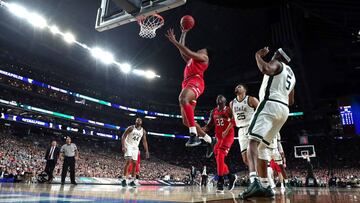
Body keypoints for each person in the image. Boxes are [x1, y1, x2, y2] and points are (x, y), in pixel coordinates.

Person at [240, 47, 296, 199]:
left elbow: (265, 68)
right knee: (263, 147)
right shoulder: (292, 74)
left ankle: (253, 181)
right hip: (283, 111)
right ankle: (265, 186)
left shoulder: (276, 62)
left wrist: (257, 55)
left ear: (280, 54)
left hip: (270, 104)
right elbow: (291, 101)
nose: (274, 54)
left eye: (276, 52)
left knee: (252, 140)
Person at [165, 28, 213, 147]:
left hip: (196, 81)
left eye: (202, 50)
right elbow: (183, 51)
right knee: (186, 121)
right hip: (187, 83)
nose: (199, 50)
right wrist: (184, 32)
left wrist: (174, 41)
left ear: (206, 53)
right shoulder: (192, 60)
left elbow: (189, 52)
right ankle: (210, 140)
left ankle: (193, 135)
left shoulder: (205, 58)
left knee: (183, 98)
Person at [203, 95, 237, 193]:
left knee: (221, 154)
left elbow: (234, 121)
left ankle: (220, 182)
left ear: (225, 101)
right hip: (218, 138)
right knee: (218, 159)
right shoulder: (213, 111)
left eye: (222, 98)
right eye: (218, 98)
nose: (219, 98)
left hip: (228, 136)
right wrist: (201, 129)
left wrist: (226, 131)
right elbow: (209, 125)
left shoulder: (229, 110)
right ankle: (230, 176)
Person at [230, 84, 259, 166]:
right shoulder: (232, 103)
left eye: (239, 86)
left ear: (245, 90)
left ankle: (263, 175)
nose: (237, 87)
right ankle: (255, 175)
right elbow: (233, 119)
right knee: (245, 159)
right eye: (236, 86)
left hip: (251, 128)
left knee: (255, 154)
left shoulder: (251, 99)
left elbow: (262, 111)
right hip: (241, 130)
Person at [121, 118, 149, 187]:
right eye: (137, 120)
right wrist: (123, 146)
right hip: (128, 145)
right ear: (135, 121)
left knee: (134, 164)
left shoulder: (143, 131)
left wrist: (147, 151)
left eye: (140, 120)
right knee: (128, 161)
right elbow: (123, 136)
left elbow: (144, 141)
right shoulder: (131, 128)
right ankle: (124, 179)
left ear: (141, 122)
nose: (138, 121)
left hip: (135, 147)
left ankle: (132, 181)